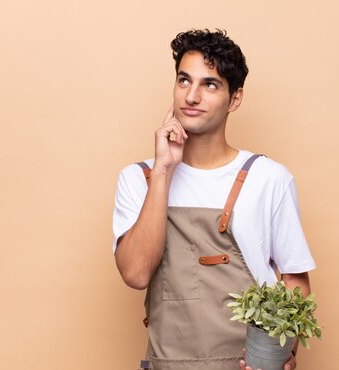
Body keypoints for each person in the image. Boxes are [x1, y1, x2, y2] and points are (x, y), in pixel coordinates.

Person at [112, 29, 316, 370]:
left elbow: (294, 280)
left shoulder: (269, 178)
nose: (192, 96)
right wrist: (163, 169)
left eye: (210, 84)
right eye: (183, 80)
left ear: (234, 98)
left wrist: (283, 353)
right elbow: (135, 274)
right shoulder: (138, 178)